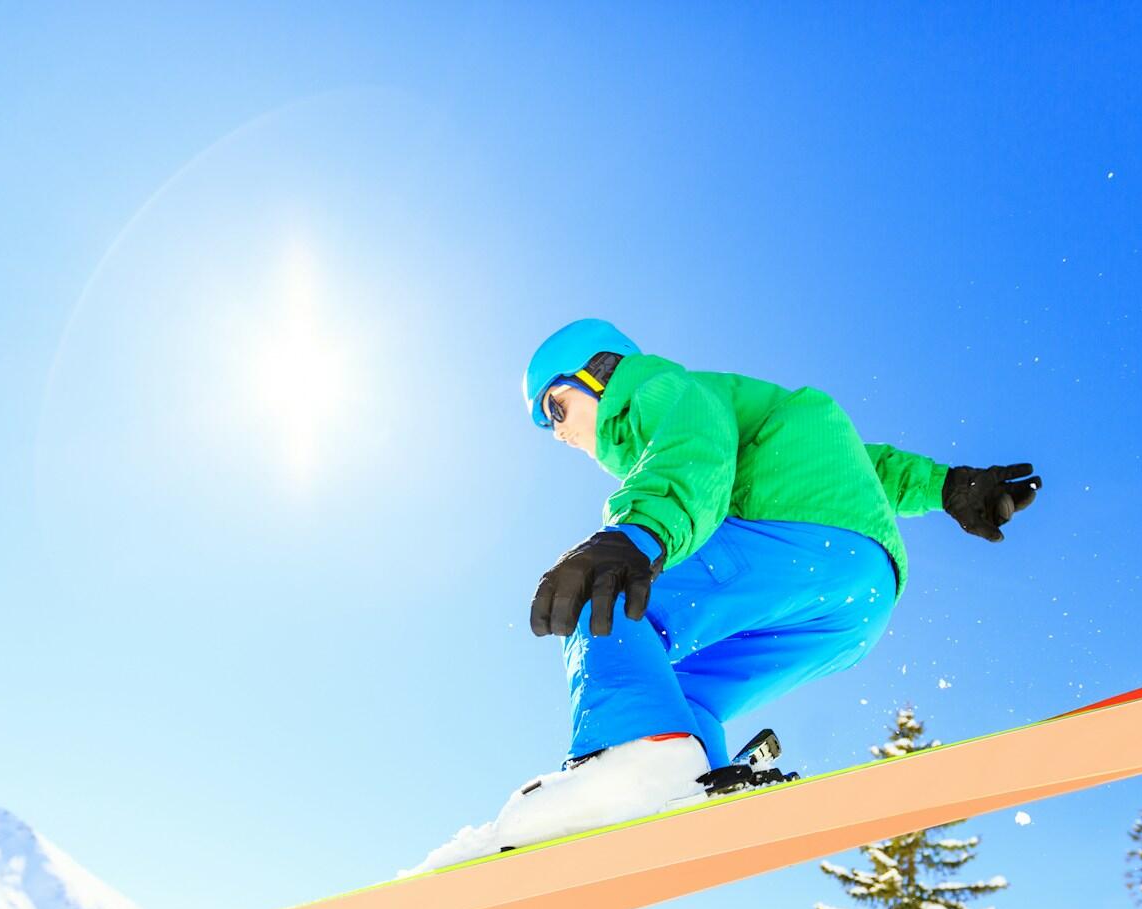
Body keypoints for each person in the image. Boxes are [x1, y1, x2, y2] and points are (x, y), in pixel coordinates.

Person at [402, 318, 1039, 874]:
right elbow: (860, 465)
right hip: (857, 597)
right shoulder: (761, 418)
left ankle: (629, 760)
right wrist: (948, 486)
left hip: (795, 543)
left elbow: (694, 446)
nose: (556, 432)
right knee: (670, 687)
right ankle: (684, 773)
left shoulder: (658, 388)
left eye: (557, 408)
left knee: (607, 599)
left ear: (600, 373)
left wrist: (636, 535)